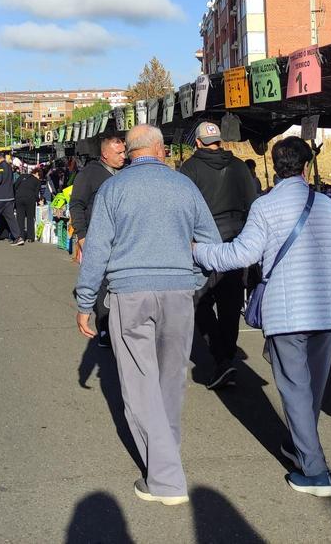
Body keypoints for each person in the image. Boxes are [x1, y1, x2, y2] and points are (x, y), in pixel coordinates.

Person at [193, 137, 331, 499]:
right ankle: (300, 448)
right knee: (311, 390)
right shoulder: (327, 205)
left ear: (276, 166)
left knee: (295, 388)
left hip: (288, 311)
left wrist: (200, 251)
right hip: (326, 311)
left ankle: (316, 471)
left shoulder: (266, 206)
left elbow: (241, 254)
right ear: (307, 167)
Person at [74, 125, 221, 507]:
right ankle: (166, 459)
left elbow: (97, 250)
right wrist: (196, 279)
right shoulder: (184, 186)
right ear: (158, 149)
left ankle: (166, 478)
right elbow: (211, 242)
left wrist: (86, 300)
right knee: (172, 379)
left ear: (132, 151)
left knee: (139, 385)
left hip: (130, 293)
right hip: (178, 292)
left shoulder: (113, 189)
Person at [179, 121, 260, 389]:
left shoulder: (189, 169)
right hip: (235, 242)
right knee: (230, 301)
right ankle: (226, 353)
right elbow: (253, 205)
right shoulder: (238, 166)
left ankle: (221, 357)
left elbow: (183, 210)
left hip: (200, 244)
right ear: (219, 140)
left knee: (199, 300)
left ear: (198, 142)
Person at [70, 133, 127, 348]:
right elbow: (76, 204)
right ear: (105, 154)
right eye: (118, 153)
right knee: (103, 283)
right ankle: (105, 330)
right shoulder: (89, 174)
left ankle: (122, 326)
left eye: (124, 151)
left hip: (123, 238)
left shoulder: (126, 172)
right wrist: (82, 235)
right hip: (98, 237)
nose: (123, 156)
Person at [13, 167, 42, 246]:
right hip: (30, 199)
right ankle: (30, 237)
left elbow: (15, 186)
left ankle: (20, 236)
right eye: (39, 176)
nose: (39, 177)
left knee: (20, 217)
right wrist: (39, 200)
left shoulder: (22, 176)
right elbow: (36, 194)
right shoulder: (37, 181)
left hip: (19, 198)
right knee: (30, 217)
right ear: (37, 173)